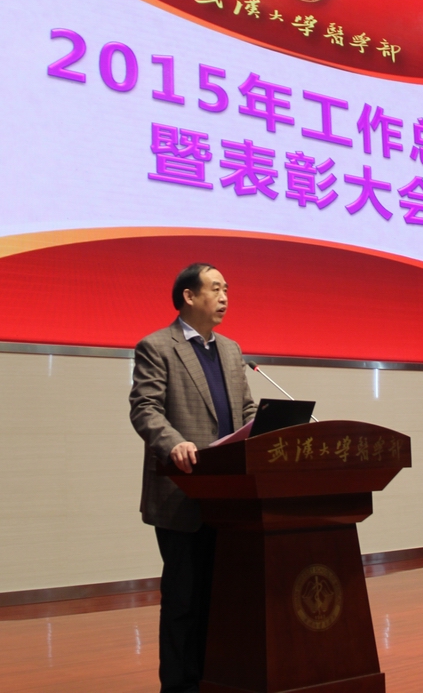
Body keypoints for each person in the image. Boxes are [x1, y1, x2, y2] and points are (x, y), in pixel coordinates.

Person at [129, 262, 256, 693]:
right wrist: (174, 443)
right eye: (216, 288)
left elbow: (246, 410)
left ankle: (215, 679)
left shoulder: (232, 351)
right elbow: (144, 408)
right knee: (183, 600)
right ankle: (180, 686)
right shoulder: (156, 346)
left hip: (229, 496)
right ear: (188, 295)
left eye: (227, 289)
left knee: (221, 598)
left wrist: (265, 428)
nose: (224, 297)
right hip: (182, 491)